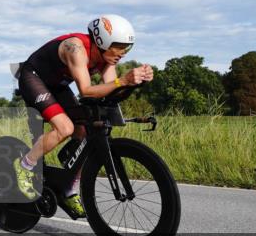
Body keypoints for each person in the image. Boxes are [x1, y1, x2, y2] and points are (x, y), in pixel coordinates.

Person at [14, 15, 153, 218]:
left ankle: (68, 190)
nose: (123, 53)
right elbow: (87, 91)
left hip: (57, 85)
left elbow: (111, 93)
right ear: (102, 41)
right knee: (65, 128)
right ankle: (24, 166)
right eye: (120, 46)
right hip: (33, 78)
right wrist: (122, 81)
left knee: (85, 129)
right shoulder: (76, 48)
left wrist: (134, 82)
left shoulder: (108, 58)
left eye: (128, 48)